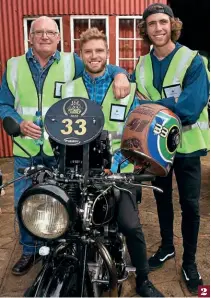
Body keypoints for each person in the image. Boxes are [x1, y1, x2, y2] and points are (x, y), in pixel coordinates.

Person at [0, 16, 131, 276]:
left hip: (59, 150)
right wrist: (18, 122)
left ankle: (54, 248)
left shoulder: (73, 62)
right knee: (24, 203)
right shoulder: (13, 66)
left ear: (59, 37)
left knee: (62, 204)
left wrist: (121, 74)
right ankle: (29, 251)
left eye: (51, 32)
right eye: (39, 32)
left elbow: (100, 64)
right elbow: (4, 104)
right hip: (26, 149)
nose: (45, 36)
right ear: (30, 37)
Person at [61, 27, 164, 297]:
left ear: (108, 53)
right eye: (88, 52)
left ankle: (143, 280)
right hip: (80, 171)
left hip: (119, 171)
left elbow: (134, 135)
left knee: (130, 225)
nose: (94, 56)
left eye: (99, 50)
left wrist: (114, 164)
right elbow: (60, 129)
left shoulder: (126, 88)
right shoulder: (70, 88)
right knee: (65, 223)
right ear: (80, 55)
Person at [132, 3, 210, 295]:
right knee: (162, 199)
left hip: (187, 144)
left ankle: (190, 262)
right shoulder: (141, 64)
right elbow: (133, 98)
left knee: (190, 204)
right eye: (151, 24)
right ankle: (166, 247)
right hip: (156, 147)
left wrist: (153, 106)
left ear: (172, 24)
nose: (158, 28)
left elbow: (191, 106)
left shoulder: (192, 60)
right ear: (146, 29)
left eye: (163, 22)